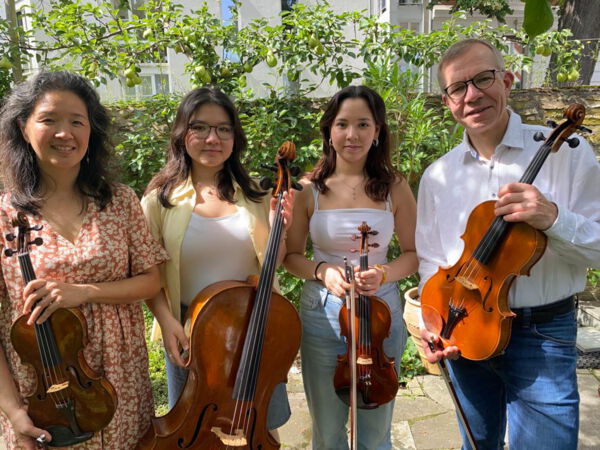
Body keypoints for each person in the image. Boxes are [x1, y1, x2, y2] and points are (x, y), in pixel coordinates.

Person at [417, 38, 600, 450]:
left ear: (507, 81)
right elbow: (431, 260)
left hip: (542, 335)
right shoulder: (437, 175)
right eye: (458, 88)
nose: (472, 95)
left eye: (483, 78)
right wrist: (433, 322)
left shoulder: (568, 152)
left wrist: (553, 218)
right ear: (447, 101)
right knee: (476, 443)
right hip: (464, 325)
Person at [0, 71, 166, 449]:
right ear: (23, 128)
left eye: (77, 121)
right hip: (44, 395)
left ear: (92, 131)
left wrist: (83, 292)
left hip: (121, 381)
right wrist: (13, 411)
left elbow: (151, 281)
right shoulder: (5, 215)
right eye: (49, 120)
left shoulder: (119, 200)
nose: (65, 133)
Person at [141, 87, 294, 437]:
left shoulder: (256, 194)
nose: (213, 138)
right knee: (194, 428)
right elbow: (148, 275)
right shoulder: (158, 201)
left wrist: (281, 229)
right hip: (190, 330)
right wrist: (166, 321)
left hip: (253, 326)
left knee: (260, 426)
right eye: (200, 127)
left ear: (234, 137)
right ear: (182, 134)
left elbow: (273, 263)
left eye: (224, 129)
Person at [284, 85, 418, 449]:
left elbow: (412, 253)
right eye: (343, 124)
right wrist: (321, 271)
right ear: (329, 130)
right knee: (327, 430)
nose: (352, 135)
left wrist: (384, 273)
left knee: (376, 431)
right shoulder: (309, 189)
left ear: (377, 131)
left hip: (381, 309)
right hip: (323, 311)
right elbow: (291, 256)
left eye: (363, 124)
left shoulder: (395, 187)